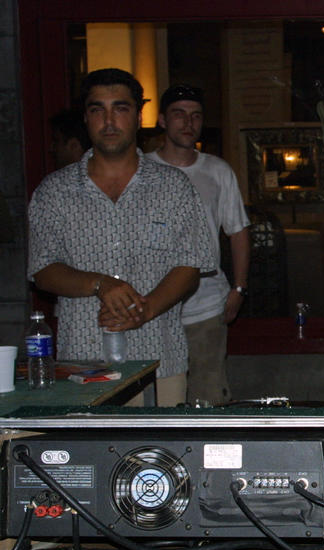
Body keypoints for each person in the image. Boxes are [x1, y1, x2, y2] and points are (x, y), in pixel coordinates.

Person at [28, 68, 214, 406]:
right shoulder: (54, 192)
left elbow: (190, 266)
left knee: (160, 441)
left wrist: (145, 310)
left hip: (159, 360)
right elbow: (42, 269)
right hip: (82, 365)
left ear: (138, 116)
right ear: (86, 118)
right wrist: (100, 284)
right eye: (98, 110)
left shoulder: (173, 187)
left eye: (121, 108)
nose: (109, 121)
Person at [146, 84, 251, 405]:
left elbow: (238, 231)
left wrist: (239, 288)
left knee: (208, 397)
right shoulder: (142, 171)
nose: (188, 123)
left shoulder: (217, 170)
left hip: (206, 303)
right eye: (179, 114)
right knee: (161, 399)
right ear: (162, 120)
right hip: (153, 304)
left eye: (196, 116)